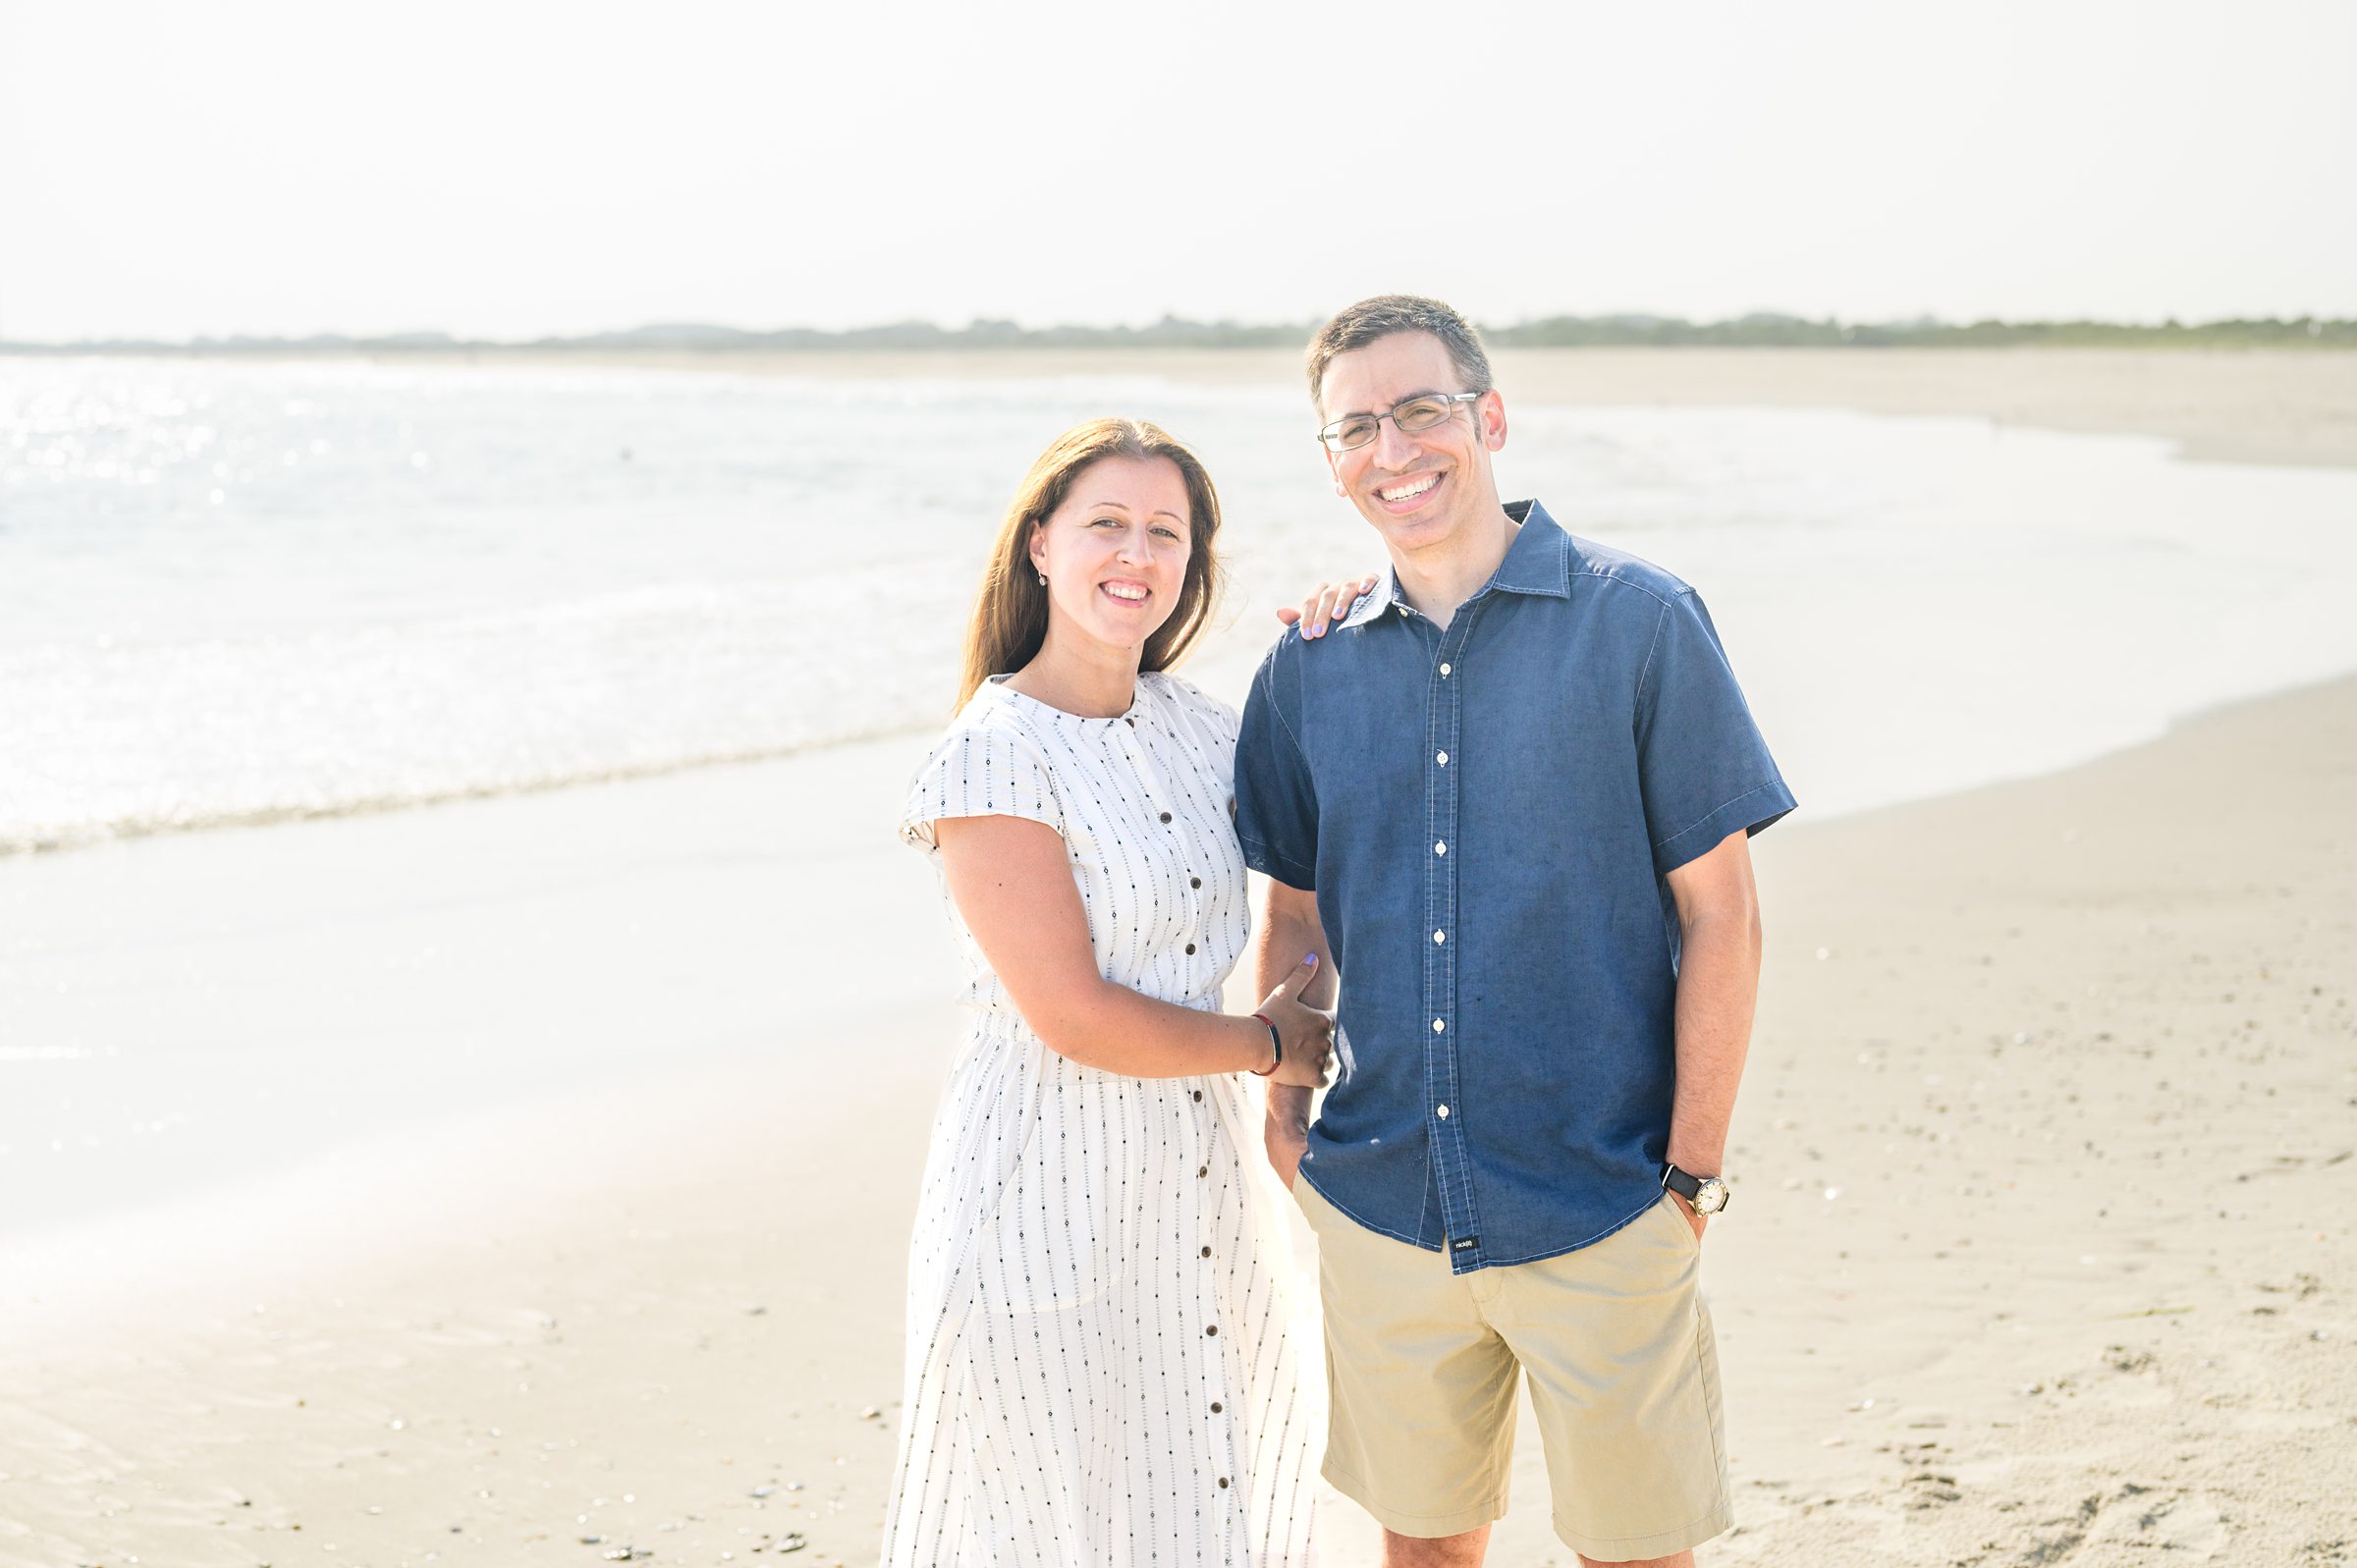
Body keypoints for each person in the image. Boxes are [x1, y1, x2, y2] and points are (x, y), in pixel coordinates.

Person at [1237, 296, 1795, 1568]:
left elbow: (1724, 913)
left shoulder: (1642, 623)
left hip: (1605, 1203)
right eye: (1358, 426)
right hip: (1383, 1210)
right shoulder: (1305, 670)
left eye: (1422, 408)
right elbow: (1299, 909)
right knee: (1425, 1549)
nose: (1396, 448)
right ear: (1332, 463)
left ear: (1488, 416)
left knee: (1636, 1554)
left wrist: (1692, 1174)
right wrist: (1286, 1102)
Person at [885, 416, 1331, 1568]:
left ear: (1192, 563)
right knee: (1044, 1516)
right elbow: (1072, 1014)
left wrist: (1343, 640)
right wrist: (1269, 1047)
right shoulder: (993, 753)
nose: (1135, 553)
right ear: (1040, 546)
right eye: (1105, 525)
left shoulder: (1200, 725)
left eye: (1164, 532)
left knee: (1198, 1493)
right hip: (1041, 1183)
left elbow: (1323, 834)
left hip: (1197, 1183)